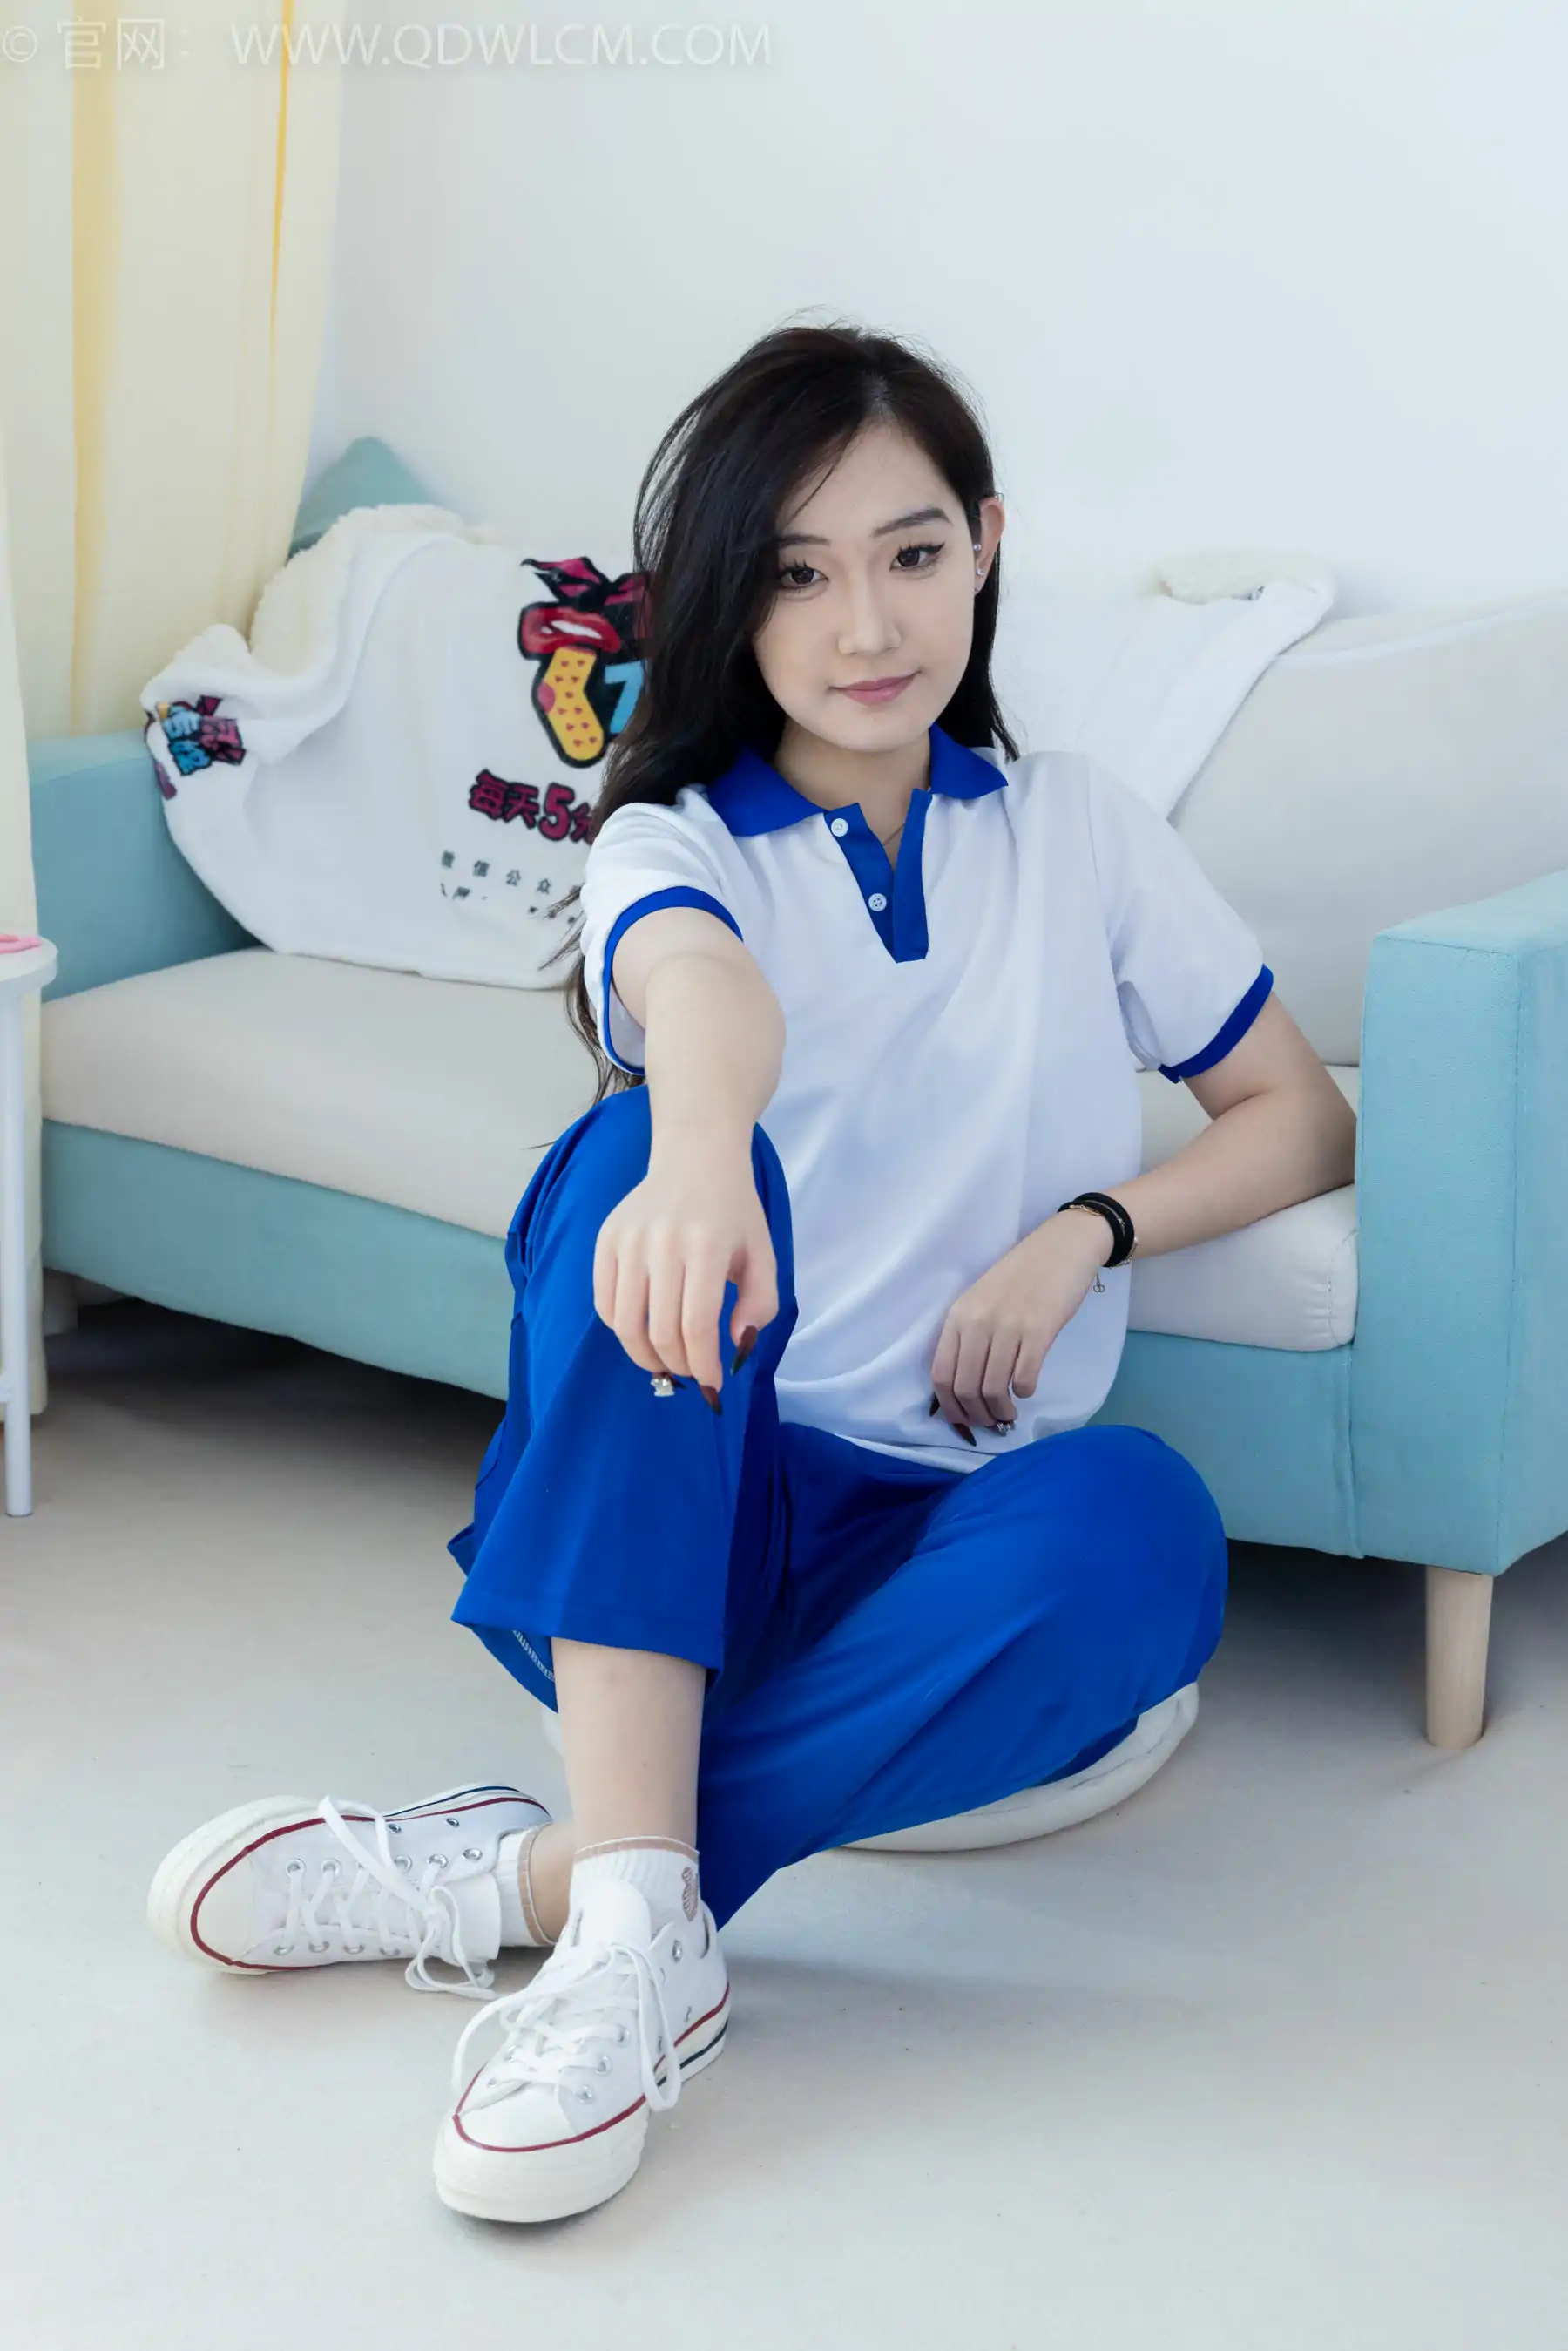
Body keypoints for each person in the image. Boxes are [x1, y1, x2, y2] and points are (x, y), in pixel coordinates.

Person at [147, 322, 1357, 2227]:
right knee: (633, 1154)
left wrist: (1087, 1230)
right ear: (731, 598)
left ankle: (566, 1881)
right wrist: (703, 1147)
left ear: (984, 545)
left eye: (911, 553)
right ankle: (641, 1922)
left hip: (944, 1543)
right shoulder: (672, 839)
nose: (866, 623)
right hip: (678, 1513)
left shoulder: (1081, 833)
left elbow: (1298, 1113)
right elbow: (698, 988)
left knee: (1142, 1529)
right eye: (796, 574)